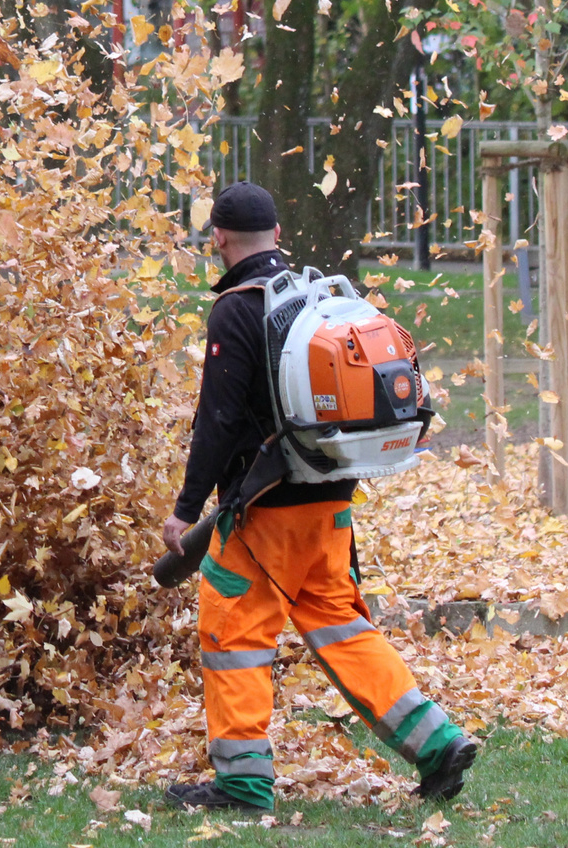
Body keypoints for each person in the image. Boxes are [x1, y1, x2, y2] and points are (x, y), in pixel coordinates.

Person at [161, 182, 477, 812]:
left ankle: (242, 784)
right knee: (340, 628)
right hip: (330, 502)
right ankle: (437, 742)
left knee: (234, 637)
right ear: (278, 235)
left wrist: (186, 509)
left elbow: (218, 421)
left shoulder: (237, 310)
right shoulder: (317, 297)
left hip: (264, 514)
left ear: (218, 239)